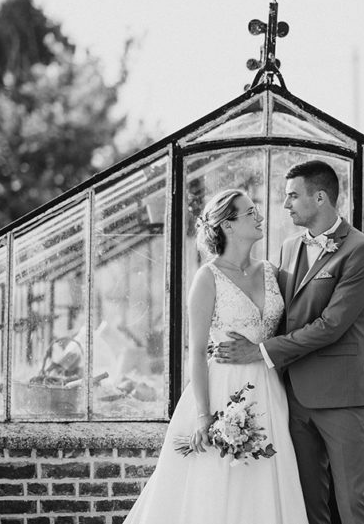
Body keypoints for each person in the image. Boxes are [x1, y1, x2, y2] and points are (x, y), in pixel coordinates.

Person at [122, 189, 308, 524]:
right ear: (228, 225)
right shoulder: (207, 278)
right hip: (224, 388)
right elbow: (195, 352)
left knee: (265, 481)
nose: (260, 217)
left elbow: (286, 331)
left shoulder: (271, 271)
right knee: (219, 481)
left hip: (270, 388)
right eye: (250, 212)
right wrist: (203, 416)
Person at [217, 160, 364, 524]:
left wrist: (260, 351)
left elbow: (331, 325)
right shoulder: (289, 247)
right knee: (306, 504)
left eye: (292, 195)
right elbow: (280, 314)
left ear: (320, 197)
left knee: (353, 501)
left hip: (339, 396)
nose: (285, 204)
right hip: (290, 396)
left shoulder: (361, 250)